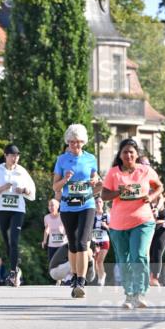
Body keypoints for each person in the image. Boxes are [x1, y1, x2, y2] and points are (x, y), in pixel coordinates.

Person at [101, 138, 163, 308]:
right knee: (124, 259)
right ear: (120, 155)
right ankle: (129, 295)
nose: (128, 155)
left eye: (131, 152)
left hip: (143, 221)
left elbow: (159, 186)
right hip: (119, 224)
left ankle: (140, 293)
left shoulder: (145, 170)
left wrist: (150, 197)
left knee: (139, 255)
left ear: (137, 154)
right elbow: (104, 196)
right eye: (125, 152)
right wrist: (119, 192)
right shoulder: (114, 173)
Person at [52, 124, 101, 298]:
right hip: (67, 206)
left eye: (79, 142)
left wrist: (95, 179)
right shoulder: (61, 160)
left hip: (86, 204)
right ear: (68, 142)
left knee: (81, 242)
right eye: (72, 142)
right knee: (72, 243)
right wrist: (65, 179)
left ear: (84, 142)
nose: (76, 145)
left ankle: (81, 280)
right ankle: (74, 276)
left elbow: (96, 176)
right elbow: (55, 186)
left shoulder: (90, 158)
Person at [0, 144, 36, 287]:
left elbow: (33, 193)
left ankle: (13, 273)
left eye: (17, 156)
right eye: (12, 155)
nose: (15, 158)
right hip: (1, 209)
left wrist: (24, 190)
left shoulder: (22, 172)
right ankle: (16, 269)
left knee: (14, 240)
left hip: (17, 210)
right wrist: (2, 188)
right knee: (7, 242)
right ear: (5, 156)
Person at [148, 194, 165, 287]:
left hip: (162, 229)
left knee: (157, 253)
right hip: (149, 229)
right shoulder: (147, 202)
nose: (151, 192)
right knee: (149, 254)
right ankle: (149, 276)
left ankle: (155, 278)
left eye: (153, 190)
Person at [42, 197, 66, 273]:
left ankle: (62, 279)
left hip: (62, 244)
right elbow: (47, 229)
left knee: (62, 263)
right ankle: (58, 280)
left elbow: (67, 228)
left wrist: (63, 232)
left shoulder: (62, 216)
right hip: (52, 244)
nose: (51, 207)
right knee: (52, 264)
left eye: (52, 205)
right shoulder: (46, 217)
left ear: (57, 206)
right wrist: (44, 240)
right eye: (49, 205)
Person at [91, 195, 110, 286]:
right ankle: (101, 275)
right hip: (94, 241)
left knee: (99, 261)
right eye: (96, 202)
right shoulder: (91, 216)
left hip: (104, 240)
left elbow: (113, 229)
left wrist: (106, 226)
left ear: (103, 203)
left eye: (100, 202)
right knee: (95, 261)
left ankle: (101, 279)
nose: (98, 204)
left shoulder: (107, 215)